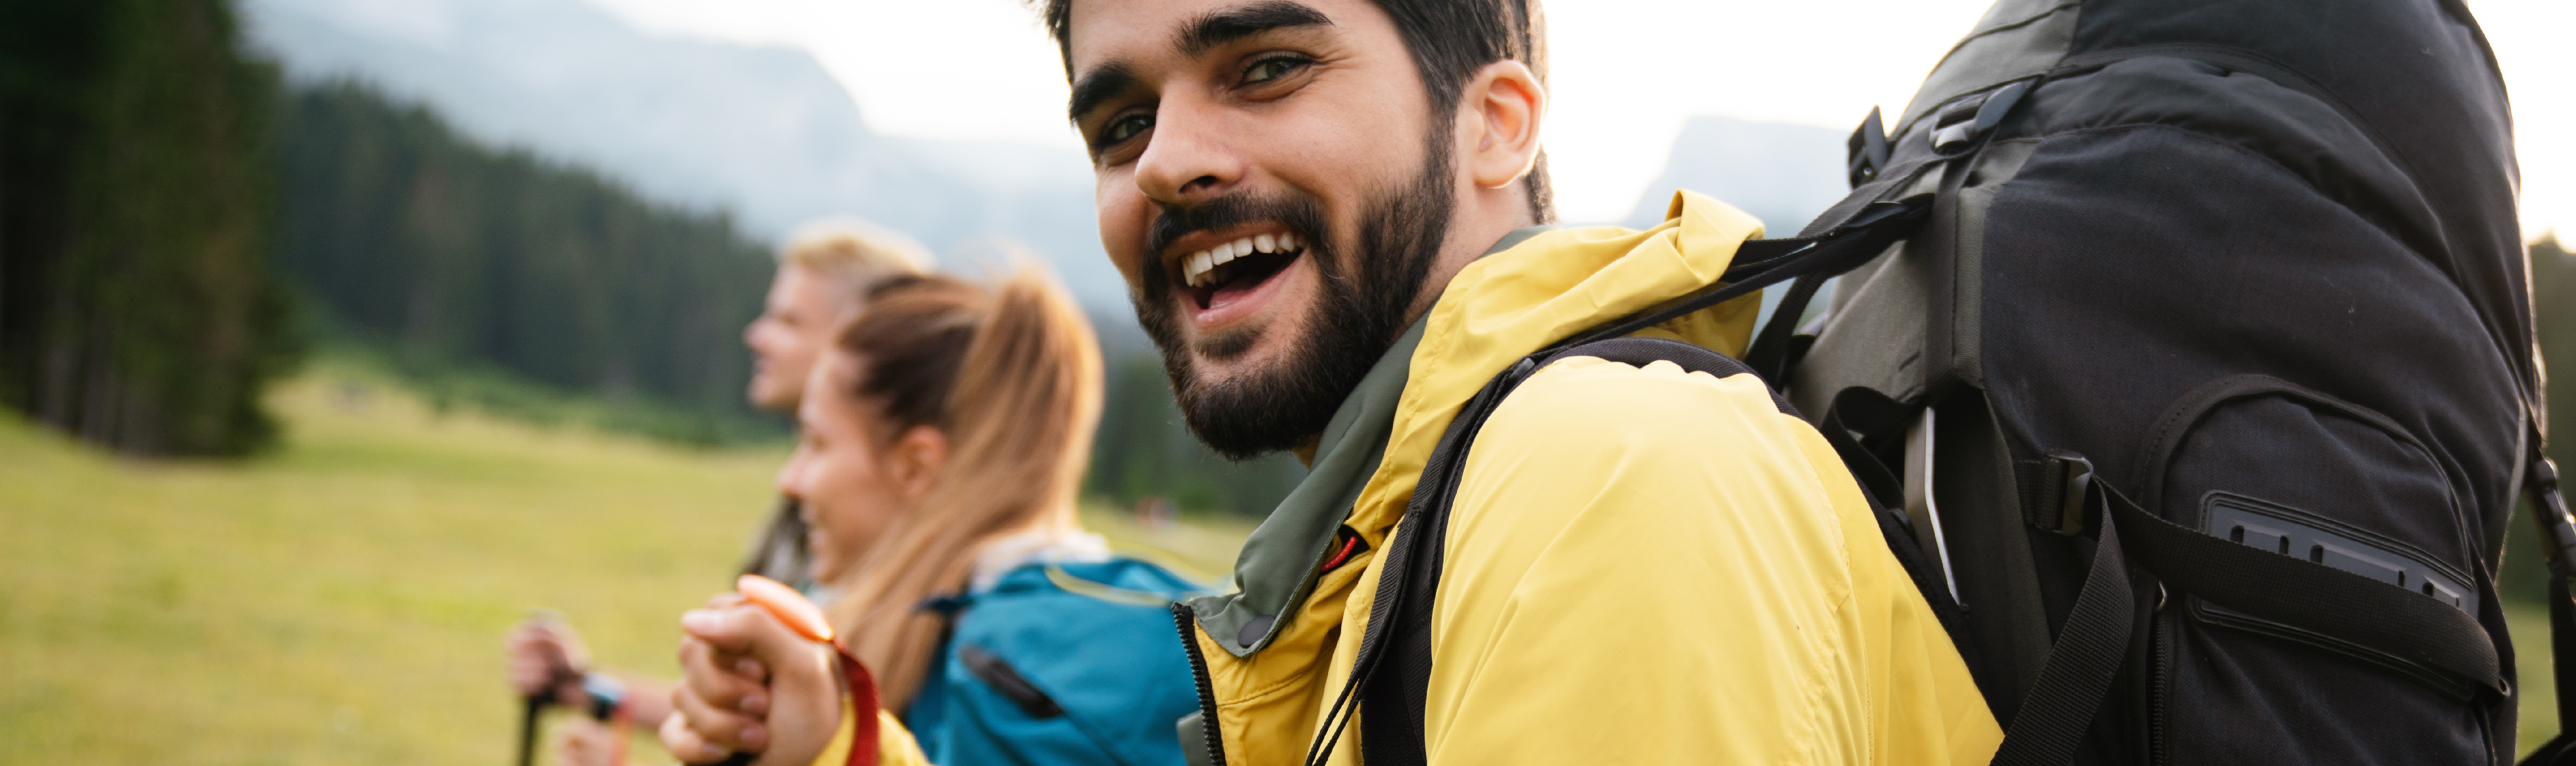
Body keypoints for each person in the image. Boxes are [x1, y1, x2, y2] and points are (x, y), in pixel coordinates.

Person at [666, 0, 2004, 764]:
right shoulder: (1405, 531)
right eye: (1121, 123)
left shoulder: (1607, 477)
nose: (1166, 161)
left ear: (1494, 126)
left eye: (1266, 67)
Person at [668, 271, 1206, 766]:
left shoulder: (1005, 667)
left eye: (816, 442)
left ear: (915, 466)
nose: (791, 480)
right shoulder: (980, 630)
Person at [505, 218, 931, 765]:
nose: (757, 335)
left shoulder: (874, 537)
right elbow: (759, 718)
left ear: (861, 339)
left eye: (787, 320)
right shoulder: (809, 511)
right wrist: (588, 688)